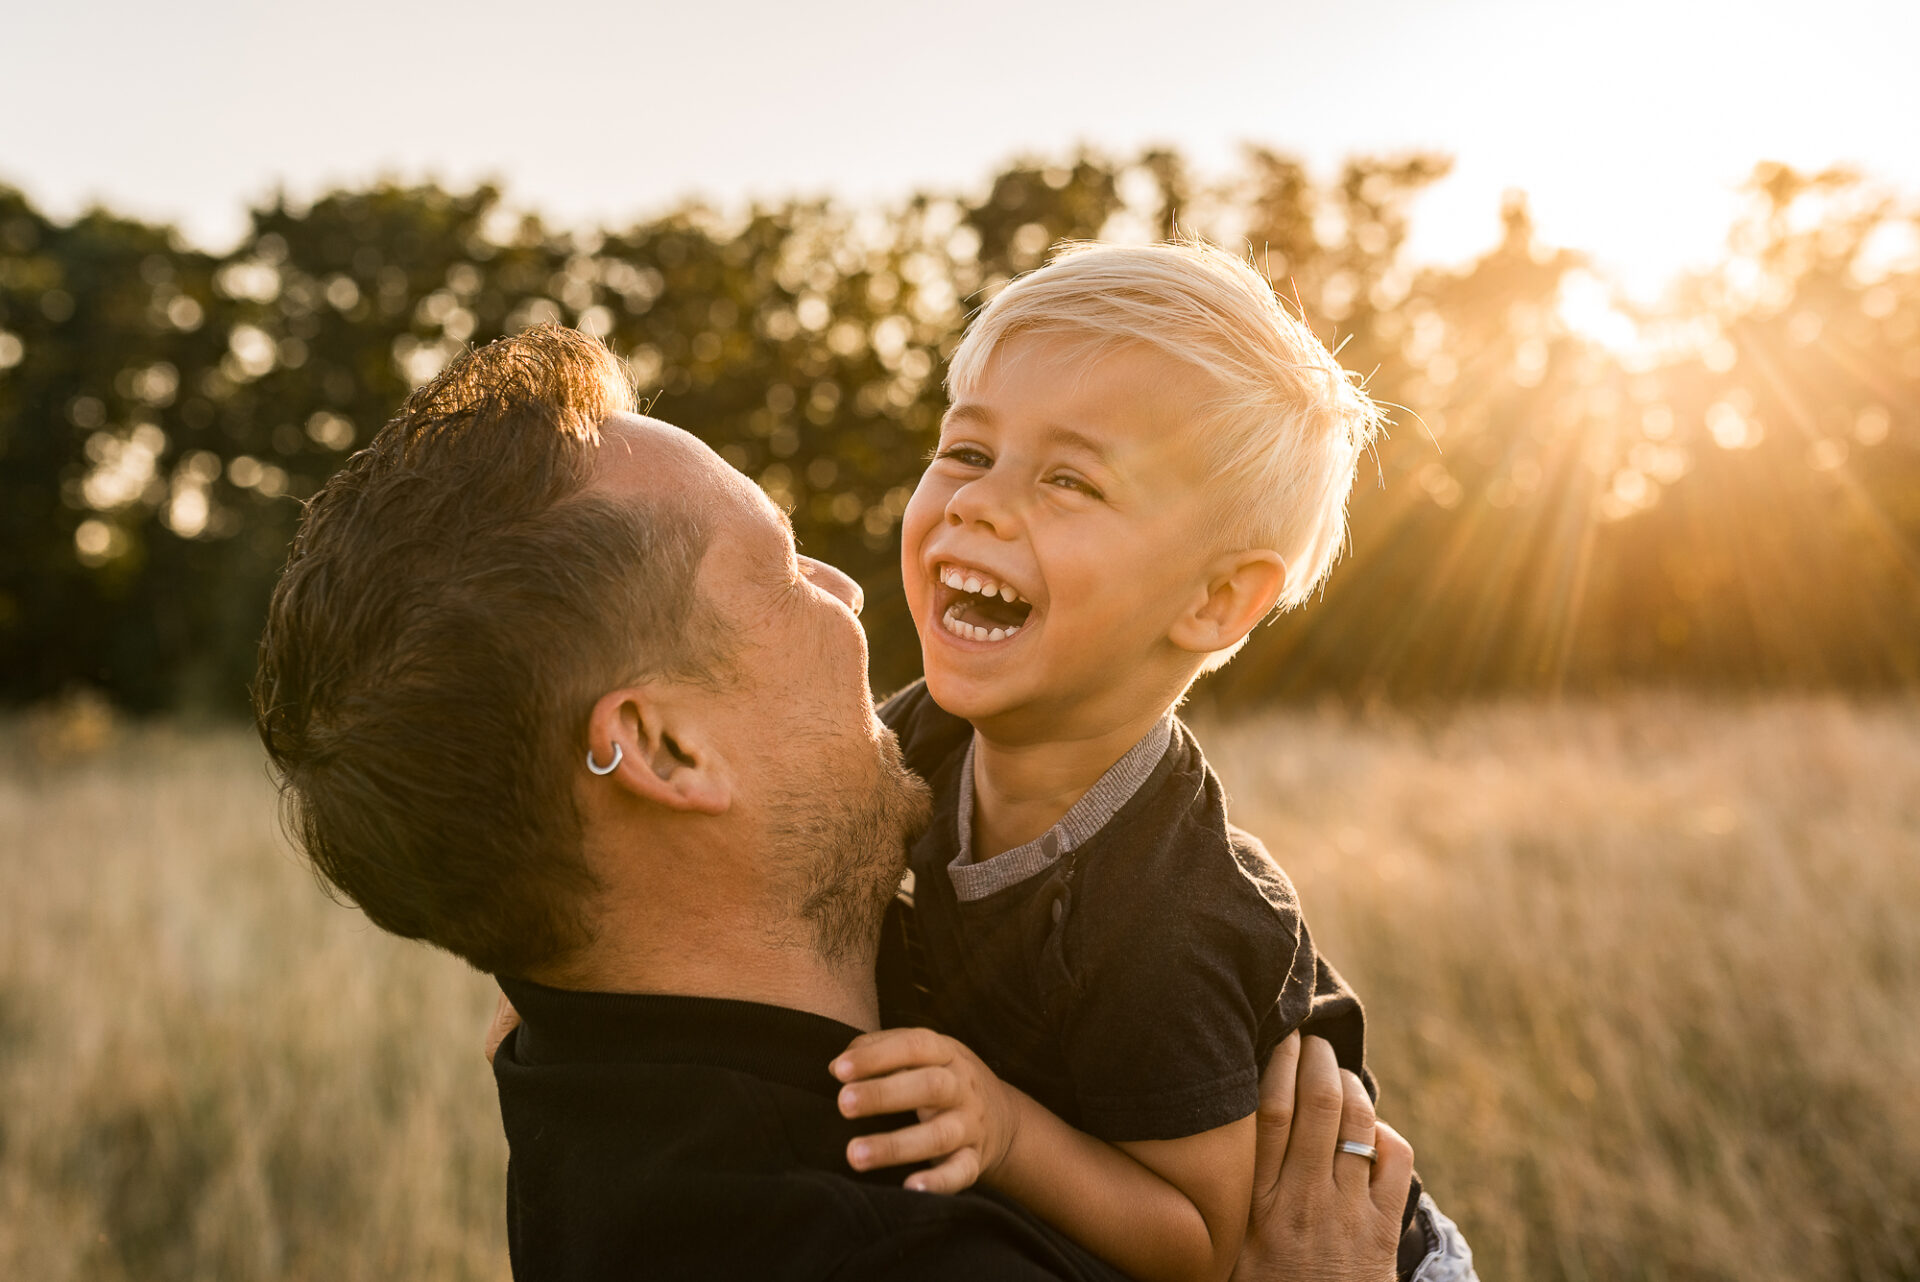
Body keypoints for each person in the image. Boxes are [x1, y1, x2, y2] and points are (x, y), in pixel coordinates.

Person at [253, 324, 1437, 1279]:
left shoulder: (591, 1063)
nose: (846, 587)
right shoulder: (884, 1248)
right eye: (778, 570)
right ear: (665, 746)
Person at [827, 241, 1463, 1282]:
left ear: (1214, 601)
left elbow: (1202, 1243)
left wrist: (1008, 1130)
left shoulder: (1169, 916)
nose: (980, 503)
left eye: (1070, 478)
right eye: (969, 451)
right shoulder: (928, 737)